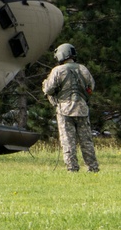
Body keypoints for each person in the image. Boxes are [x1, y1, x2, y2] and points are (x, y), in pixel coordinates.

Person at [42, 44, 99, 173]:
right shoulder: (83, 69)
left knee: (68, 141)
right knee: (86, 141)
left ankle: (72, 168)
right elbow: (91, 86)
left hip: (64, 110)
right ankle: (93, 167)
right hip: (82, 109)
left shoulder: (57, 70)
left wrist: (45, 84)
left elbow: (49, 89)